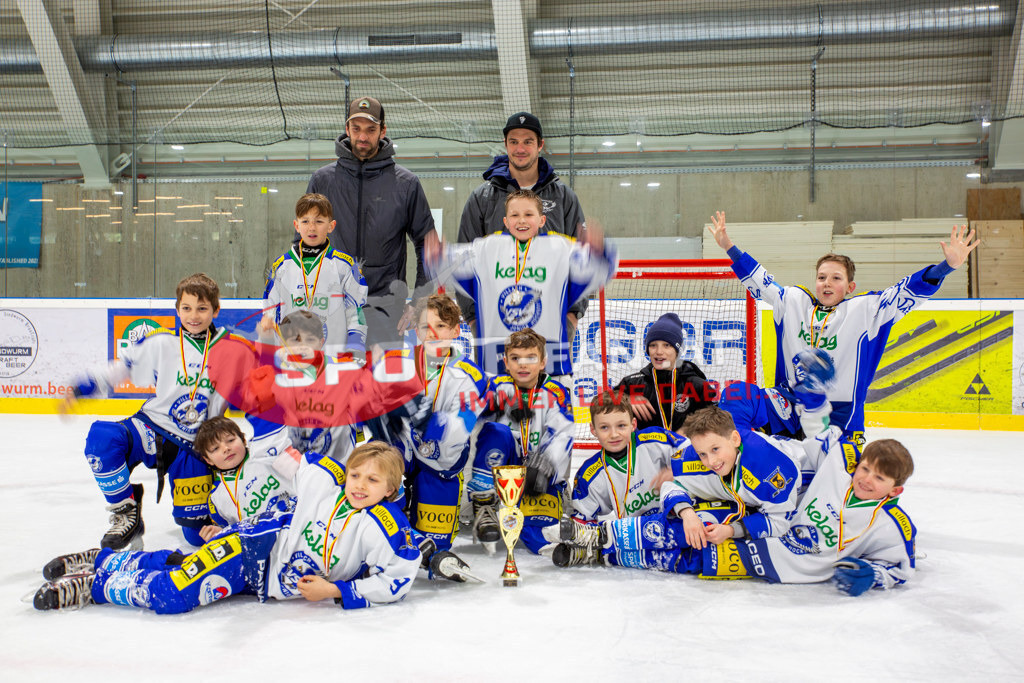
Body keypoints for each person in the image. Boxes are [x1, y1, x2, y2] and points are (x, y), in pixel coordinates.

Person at [34, 442, 422, 613]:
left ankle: (104, 561)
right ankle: (95, 585)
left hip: (261, 582)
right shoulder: (322, 480)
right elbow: (279, 445)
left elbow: (398, 579)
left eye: (372, 481)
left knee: (184, 568)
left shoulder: (386, 526)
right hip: (251, 551)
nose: (358, 484)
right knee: (175, 595)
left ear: (390, 490)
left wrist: (336, 589)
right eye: (356, 474)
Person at [553, 422, 917, 597]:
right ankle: (598, 535)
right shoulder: (841, 462)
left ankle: (602, 557)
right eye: (865, 469)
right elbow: (819, 438)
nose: (866, 479)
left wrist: (873, 576)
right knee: (690, 528)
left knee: (690, 560)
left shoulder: (891, 525)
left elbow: (899, 567)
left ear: (895, 490)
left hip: (777, 564)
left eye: (879, 479)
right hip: (761, 525)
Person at [707, 211, 978, 442]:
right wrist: (729, 247)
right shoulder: (792, 302)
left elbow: (907, 291)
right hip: (789, 402)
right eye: (822, 276)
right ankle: (736, 460)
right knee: (737, 394)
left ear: (850, 287)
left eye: (836, 278)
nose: (826, 282)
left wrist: (946, 267)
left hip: (839, 413)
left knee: (832, 481)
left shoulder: (866, 311)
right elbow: (760, 280)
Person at [63, 273, 230, 550]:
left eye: (202, 308)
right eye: (186, 308)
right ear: (177, 309)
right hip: (153, 427)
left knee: (197, 536)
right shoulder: (162, 343)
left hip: (197, 444)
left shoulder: (231, 349)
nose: (194, 316)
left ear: (216, 310)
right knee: (103, 438)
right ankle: (126, 510)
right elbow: (122, 368)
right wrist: (84, 386)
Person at [554, 405, 802, 566]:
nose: (711, 461)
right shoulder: (698, 455)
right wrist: (687, 513)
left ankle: (600, 548)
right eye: (703, 454)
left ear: (734, 439)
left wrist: (732, 530)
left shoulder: (771, 469)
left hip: (795, 505)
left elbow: (779, 521)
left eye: (715, 450)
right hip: (735, 508)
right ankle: (599, 540)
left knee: (702, 552)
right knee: (694, 528)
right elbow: (672, 485)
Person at [429, 189, 616, 384]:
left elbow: (595, 269)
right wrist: (437, 255)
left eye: (528, 214)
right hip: (496, 360)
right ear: (505, 221)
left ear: (542, 220)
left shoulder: (560, 247)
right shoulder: (487, 247)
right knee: (497, 411)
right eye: (514, 215)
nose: (521, 221)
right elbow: (454, 263)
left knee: (552, 409)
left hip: (549, 357)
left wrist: (599, 252)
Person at [307, 96, 438, 346]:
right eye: (356, 129)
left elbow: (428, 245)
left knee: (382, 385)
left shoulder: (406, 183)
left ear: (383, 131)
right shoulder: (322, 181)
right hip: (332, 308)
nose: (363, 137)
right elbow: (305, 243)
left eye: (370, 129)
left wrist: (420, 301)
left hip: (386, 311)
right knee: (337, 384)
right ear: (347, 130)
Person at [370, 294, 487, 552]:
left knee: (432, 547)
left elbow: (461, 428)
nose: (433, 333)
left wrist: (426, 419)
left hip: (441, 459)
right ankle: (396, 499)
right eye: (426, 326)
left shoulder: (473, 376)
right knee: (375, 456)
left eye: (442, 325)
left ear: (456, 330)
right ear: (416, 329)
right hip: (403, 448)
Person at [458, 111, 588, 338]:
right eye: (514, 142)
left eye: (528, 141)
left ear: (540, 145)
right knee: (495, 376)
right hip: (494, 322)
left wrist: (572, 314)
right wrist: (472, 317)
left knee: (551, 376)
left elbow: (582, 256)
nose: (520, 148)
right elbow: (464, 258)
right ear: (505, 145)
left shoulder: (564, 197)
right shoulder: (482, 198)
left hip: (553, 322)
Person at [466, 329, 575, 554]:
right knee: (497, 432)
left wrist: (546, 464)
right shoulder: (496, 386)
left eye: (531, 358)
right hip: (504, 471)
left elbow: (562, 433)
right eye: (516, 358)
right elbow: (472, 414)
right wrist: (498, 403)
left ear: (543, 362)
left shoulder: (556, 392)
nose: (522, 365)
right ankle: (485, 504)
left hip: (538, 475)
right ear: (506, 362)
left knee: (540, 540)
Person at [262, 193, 368, 357]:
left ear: (331, 226)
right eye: (305, 221)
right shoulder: (281, 266)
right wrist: (268, 342)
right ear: (296, 225)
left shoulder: (345, 266)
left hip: (332, 359)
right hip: (291, 357)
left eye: (319, 221)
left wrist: (355, 348)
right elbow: (269, 310)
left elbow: (355, 312)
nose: (312, 228)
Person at [614, 312, 716, 432]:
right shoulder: (632, 383)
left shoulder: (697, 384)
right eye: (653, 345)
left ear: (677, 350)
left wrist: (689, 429)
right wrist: (625, 400)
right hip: (646, 450)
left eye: (666, 345)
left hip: (686, 450)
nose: (659, 351)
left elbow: (716, 420)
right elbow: (601, 406)